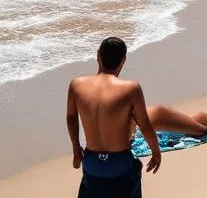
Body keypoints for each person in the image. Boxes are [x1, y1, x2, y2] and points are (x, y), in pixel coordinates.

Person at [66, 37, 161, 195]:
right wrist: (156, 152)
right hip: (120, 163)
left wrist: (76, 148)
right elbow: (145, 125)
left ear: (98, 56)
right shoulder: (131, 89)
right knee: (134, 167)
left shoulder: (76, 85)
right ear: (123, 60)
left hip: (91, 162)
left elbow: (71, 117)